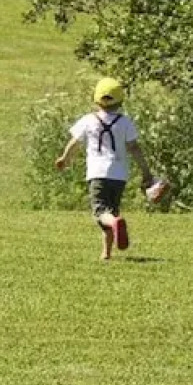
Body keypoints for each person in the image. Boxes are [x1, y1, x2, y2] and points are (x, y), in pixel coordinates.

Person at [55, 77, 154, 261]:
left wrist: (64, 158)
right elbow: (134, 148)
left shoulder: (88, 120)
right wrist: (146, 171)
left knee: (101, 212)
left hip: (97, 173)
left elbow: (75, 142)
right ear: (120, 100)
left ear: (96, 99)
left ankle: (115, 225)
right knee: (111, 210)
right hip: (119, 175)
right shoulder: (125, 122)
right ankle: (106, 253)